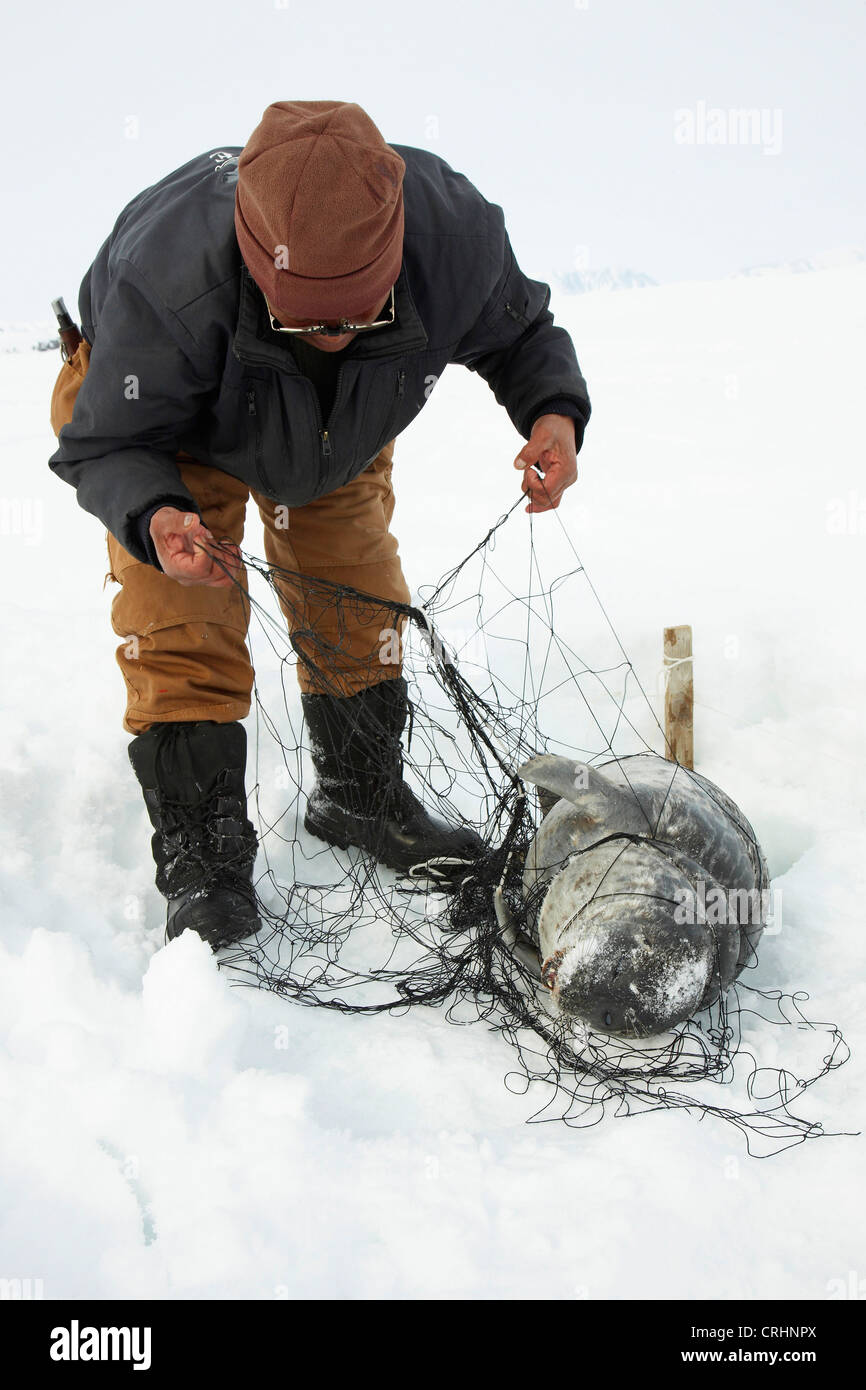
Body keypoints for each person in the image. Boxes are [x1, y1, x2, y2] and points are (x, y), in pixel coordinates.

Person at [48, 99, 591, 951]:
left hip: (338, 433)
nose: (334, 337)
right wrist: (155, 516)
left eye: (357, 318)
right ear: (259, 265)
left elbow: (522, 335)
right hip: (173, 430)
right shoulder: (170, 284)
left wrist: (552, 410)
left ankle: (359, 794)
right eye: (308, 321)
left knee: (358, 597)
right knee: (181, 617)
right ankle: (202, 850)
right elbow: (109, 439)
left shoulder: (453, 238)